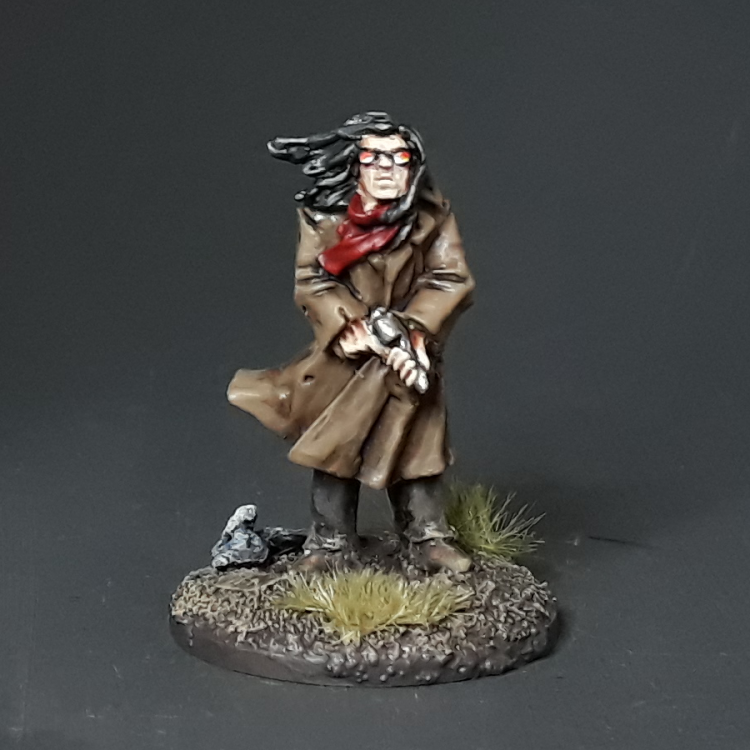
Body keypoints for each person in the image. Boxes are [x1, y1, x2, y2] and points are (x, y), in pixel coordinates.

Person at [228, 112, 475, 573]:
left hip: (410, 354)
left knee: (417, 449)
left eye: (398, 158)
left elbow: (450, 279)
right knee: (335, 447)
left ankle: (427, 537)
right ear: (354, 165)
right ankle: (330, 543)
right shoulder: (325, 219)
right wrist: (351, 326)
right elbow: (312, 280)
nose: (385, 168)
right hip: (347, 361)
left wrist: (413, 331)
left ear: (413, 166)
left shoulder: (432, 218)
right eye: (373, 158)